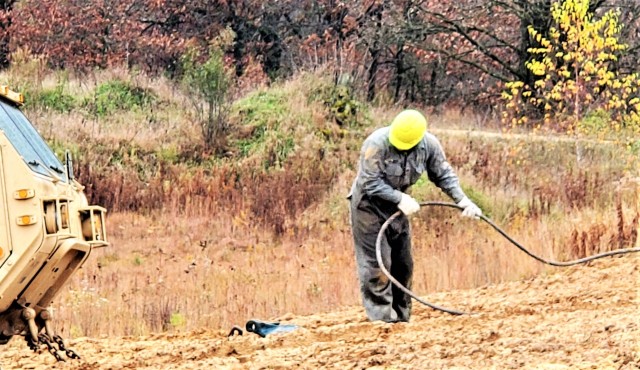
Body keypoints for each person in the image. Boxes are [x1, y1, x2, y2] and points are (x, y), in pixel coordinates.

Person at [348, 109, 482, 323]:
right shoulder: (376, 144)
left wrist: (462, 200)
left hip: (399, 210)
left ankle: (402, 319)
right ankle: (383, 322)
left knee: (403, 266)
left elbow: (443, 174)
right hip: (369, 209)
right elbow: (369, 182)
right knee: (377, 267)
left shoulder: (428, 145)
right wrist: (398, 198)